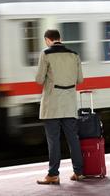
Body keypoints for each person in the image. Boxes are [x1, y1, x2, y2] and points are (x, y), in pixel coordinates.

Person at [35, 29, 84, 185]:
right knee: (73, 139)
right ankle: (79, 172)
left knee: (53, 140)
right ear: (60, 39)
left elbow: (39, 79)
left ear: (47, 40)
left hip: (52, 105)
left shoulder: (46, 54)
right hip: (69, 103)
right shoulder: (74, 54)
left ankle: (53, 174)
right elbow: (80, 79)